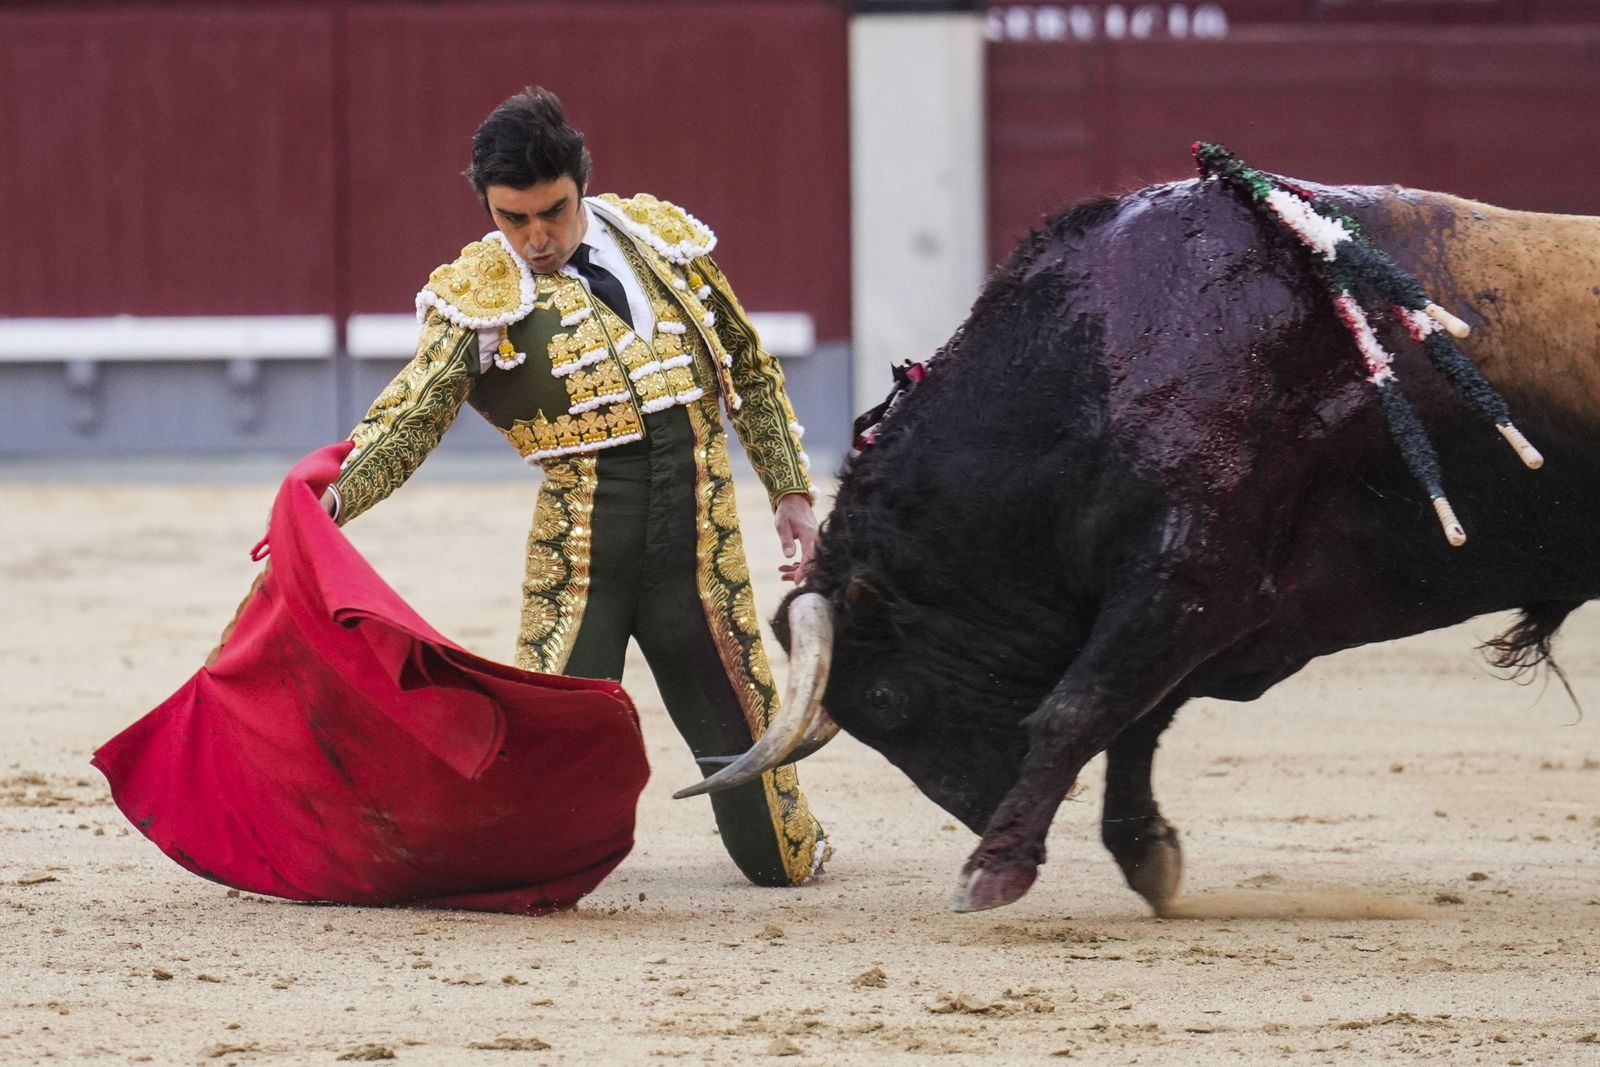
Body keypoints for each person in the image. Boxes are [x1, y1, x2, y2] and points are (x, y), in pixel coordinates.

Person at [321, 87, 827, 888]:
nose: (535, 238)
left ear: (581, 183)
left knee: (778, 856)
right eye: (512, 218)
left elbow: (751, 370)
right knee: (532, 816)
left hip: (701, 563)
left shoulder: (662, 241)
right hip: (584, 566)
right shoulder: (483, 294)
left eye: (552, 212)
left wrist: (790, 491)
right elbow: (412, 414)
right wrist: (334, 495)